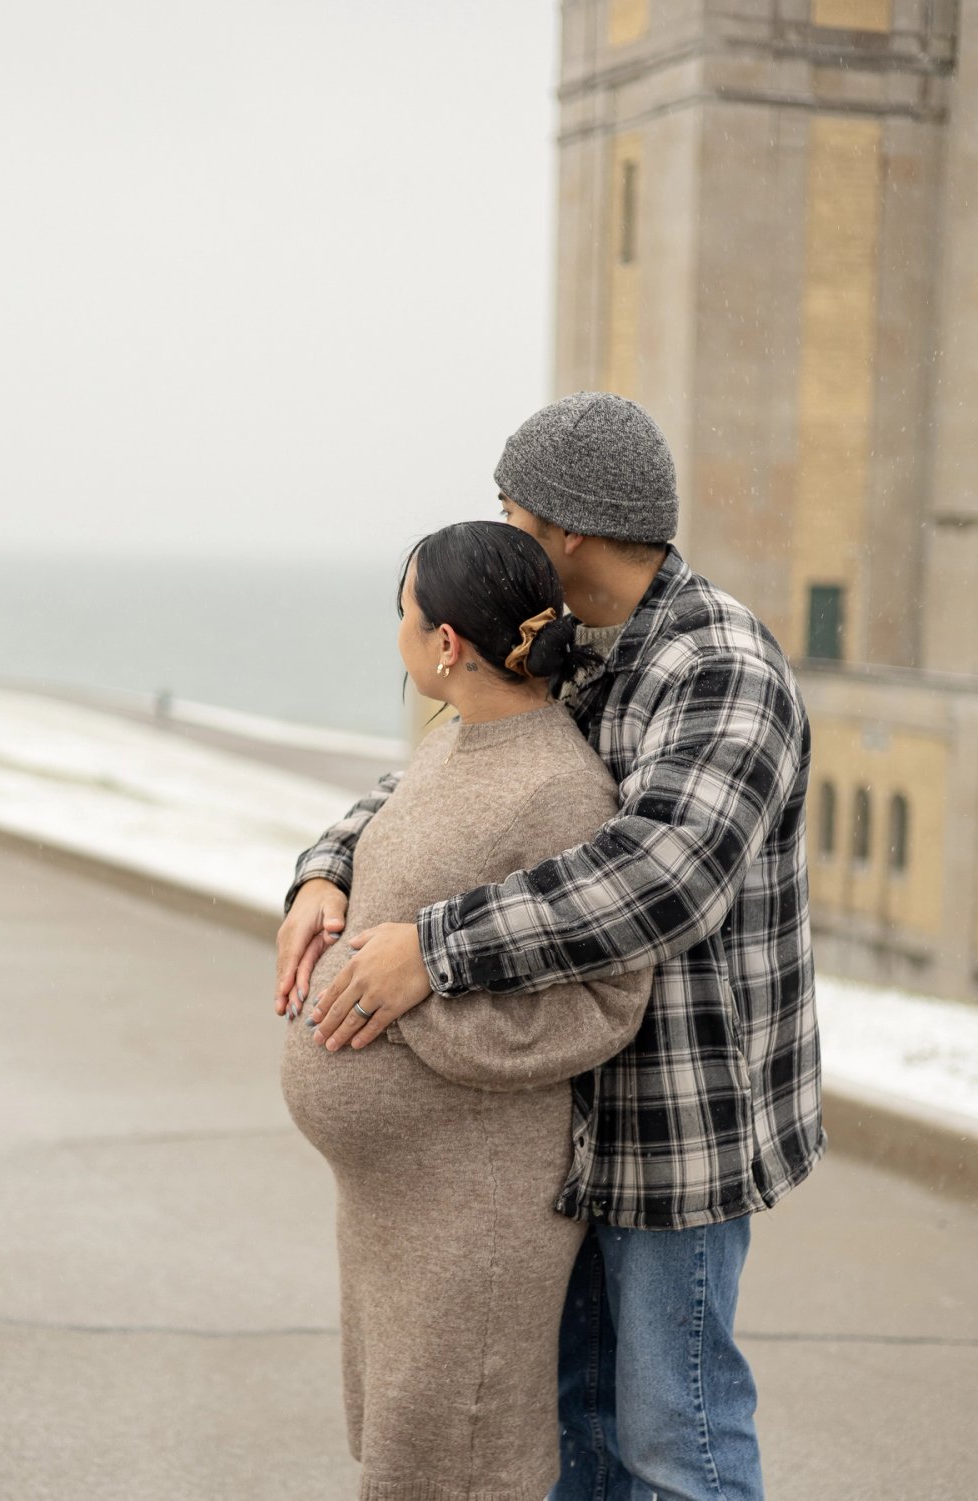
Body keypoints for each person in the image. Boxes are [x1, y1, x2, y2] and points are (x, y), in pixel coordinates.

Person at [277, 393, 824, 1501]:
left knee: (675, 1433)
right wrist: (327, 867)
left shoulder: (718, 666)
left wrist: (434, 949)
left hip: (675, 1119)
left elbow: (657, 877)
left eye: (509, 507)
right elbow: (445, 773)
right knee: (571, 1427)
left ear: (567, 526)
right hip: (550, 1129)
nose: (500, 528)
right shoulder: (567, 648)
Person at [280, 519, 653, 1501]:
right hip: (396, 1203)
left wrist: (411, 1008)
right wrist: (324, 884)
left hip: (472, 1205)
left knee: (459, 1469)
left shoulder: (557, 787)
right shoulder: (455, 742)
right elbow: (400, 883)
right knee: (409, 1456)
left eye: (403, 611)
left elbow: (605, 1004)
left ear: (446, 642)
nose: (397, 630)